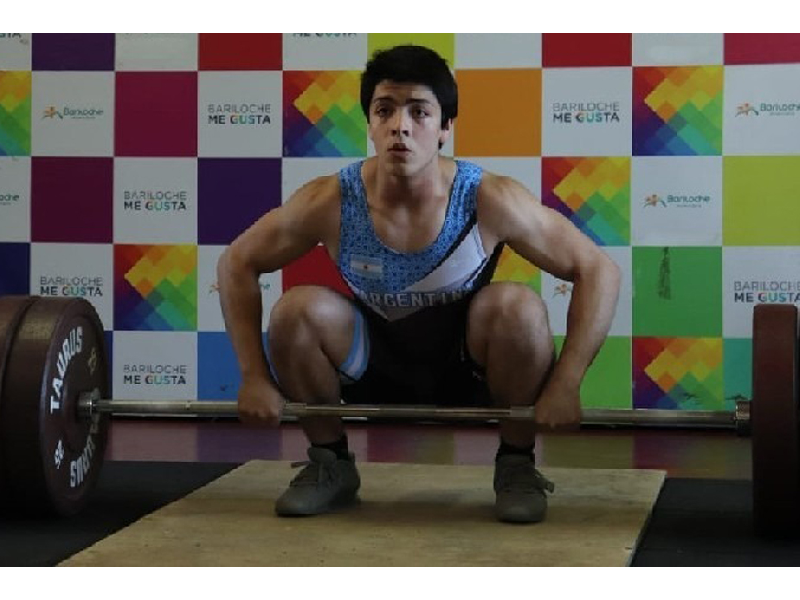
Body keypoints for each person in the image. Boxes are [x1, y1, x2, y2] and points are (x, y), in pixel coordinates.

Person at [217, 44, 621, 524]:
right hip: (371, 367)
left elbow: (599, 270)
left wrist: (567, 383)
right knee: (295, 312)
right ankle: (330, 461)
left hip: (469, 372)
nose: (400, 126)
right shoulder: (330, 200)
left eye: (419, 112)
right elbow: (237, 262)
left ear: (445, 127)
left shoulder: (489, 198)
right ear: (370, 124)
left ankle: (516, 464)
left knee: (517, 307)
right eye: (384, 110)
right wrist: (254, 377)